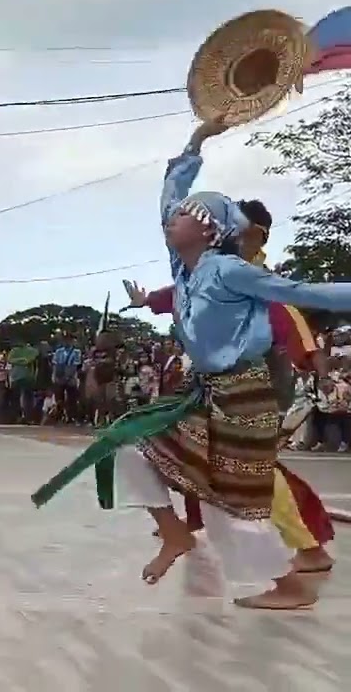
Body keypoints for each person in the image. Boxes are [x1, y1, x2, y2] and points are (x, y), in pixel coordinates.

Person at [34, 118, 351, 610]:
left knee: (237, 495)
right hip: (205, 390)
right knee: (128, 446)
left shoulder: (231, 270)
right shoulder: (185, 266)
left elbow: (300, 294)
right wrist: (196, 143)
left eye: (183, 216)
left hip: (246, 394)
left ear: (208, 230)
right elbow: (168, 197)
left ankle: (291, 581)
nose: (170, 219)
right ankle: (174, 534)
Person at [123, 199, 337, 579]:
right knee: (194, 461)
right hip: (219, 390)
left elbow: (298, 327)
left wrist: (318, 369)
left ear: (252, 235)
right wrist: (146, 301)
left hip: (256, 390)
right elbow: (177, 292)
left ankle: (305, 548)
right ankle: (189, 528)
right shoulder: (210, 273)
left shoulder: (251, 281)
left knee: (250, 475)